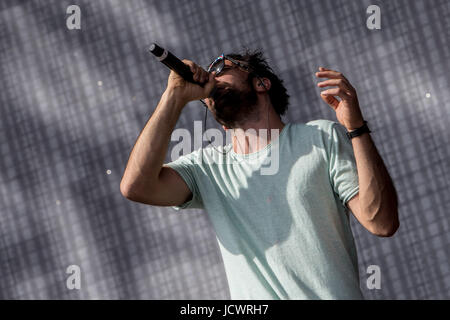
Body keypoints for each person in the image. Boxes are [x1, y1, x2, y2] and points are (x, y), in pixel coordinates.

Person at [120, 48, 399, 299]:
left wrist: (356, 127)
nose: (210, 78)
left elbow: (381, 222)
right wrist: (174, 96)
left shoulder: (321, 136)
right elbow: (136, 186)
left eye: (220, 67)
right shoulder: (207, 167)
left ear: (261, 83)